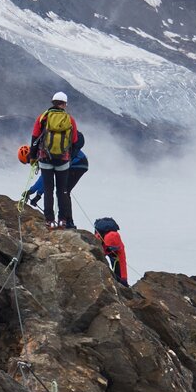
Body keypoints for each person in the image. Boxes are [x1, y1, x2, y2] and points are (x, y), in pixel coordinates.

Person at [28, 91, 84, 228]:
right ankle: (62, 220)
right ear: (64, 104)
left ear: (52, 102)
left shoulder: (43, 117)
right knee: (62, 190)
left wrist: (33, 156)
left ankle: (49, 220)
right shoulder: (70, 119)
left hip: (45, 158)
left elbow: (35, 138)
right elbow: (75, 140)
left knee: (48, 190)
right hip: (63, 161)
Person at [23, 145, 87, 209]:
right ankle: (65, 217)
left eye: (29, 160)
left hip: (77, 162)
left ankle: (65, 217)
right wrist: (38, 195)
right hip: (78, 162)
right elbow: (48, 179)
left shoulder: (42, 153)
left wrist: (31, 191)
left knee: (63, 192)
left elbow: (45, 177)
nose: (31, 163)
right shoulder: (41, 152)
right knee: (63, 192)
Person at [93, 217, 127, 284]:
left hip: (112, 249)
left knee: (118, 272)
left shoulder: (119, 246)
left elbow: (122, 261)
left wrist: (124, 278)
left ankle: (119, 281)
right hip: (105, 244)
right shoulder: (99, 238)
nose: (112, 250)